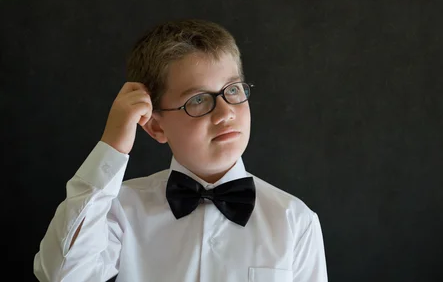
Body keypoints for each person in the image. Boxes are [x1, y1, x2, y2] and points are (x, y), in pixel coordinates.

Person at [34, 18, 328, 282]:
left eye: (233, 90)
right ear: (156, 127)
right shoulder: (119, 210)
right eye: (198, 99)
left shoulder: (294, 220)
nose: (225, 113)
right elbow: (63, 275)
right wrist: (113, 145)